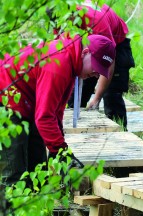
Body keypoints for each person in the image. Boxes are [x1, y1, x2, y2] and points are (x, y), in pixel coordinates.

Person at [0, 33, 115, 185]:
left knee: (38, 166)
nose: (95, 74)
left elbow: (56, 111)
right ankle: (11, 205)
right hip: (6, 95)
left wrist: (59, 149)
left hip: (23, 96)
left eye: (100, 71)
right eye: (95, 66)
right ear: (85, 52)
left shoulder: (71, 62)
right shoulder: (59, 65)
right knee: (15, 169)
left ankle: (36, 201)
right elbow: (44, 117)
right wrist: (60, 150)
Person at [66, 1, 135, 130]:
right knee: (76, 97)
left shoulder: (97, 23)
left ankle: (119, 133)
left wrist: (97, 98)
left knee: (111, 95)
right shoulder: (61, 23)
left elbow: (109, 63)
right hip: (87, 46)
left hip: (115, 46)